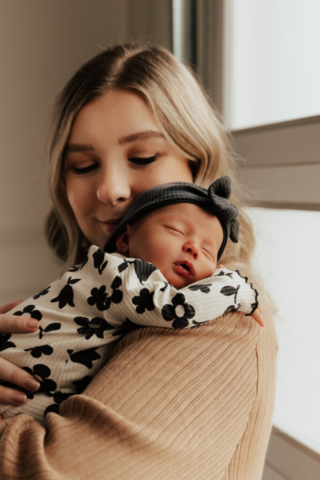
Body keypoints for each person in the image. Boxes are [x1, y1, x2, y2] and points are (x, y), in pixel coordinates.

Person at [0, 43, 277, 480]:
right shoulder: (93, 295)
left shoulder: (220, 319)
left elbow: (52, 472)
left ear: (197, 163)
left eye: (143, 157)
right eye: (84, 165)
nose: (110, 189)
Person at [0, 177, 263, 425]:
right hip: (17, 387)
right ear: (125, 240)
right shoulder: (118, 274)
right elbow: (177, 308)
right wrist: (235, 288)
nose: (193, 248)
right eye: (176, 230)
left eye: (206, 251)